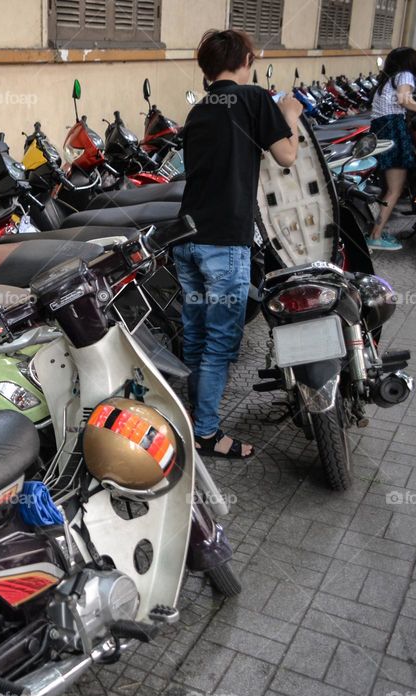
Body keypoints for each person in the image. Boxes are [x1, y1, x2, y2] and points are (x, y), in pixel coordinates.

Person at [176, 29, 303, 459]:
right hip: (225, 243)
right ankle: (207, 434)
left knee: (195, 337)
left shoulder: (197, 112)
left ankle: (194, 419)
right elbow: (286, 156)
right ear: (246, 59)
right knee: (220, 344)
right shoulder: (253, 99)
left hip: (187, 239)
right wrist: (291, 115)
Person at [368, 46, 416, 251]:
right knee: (395, 190)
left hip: (379, 130)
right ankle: (376, 236)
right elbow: (404, 99)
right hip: (393, 129)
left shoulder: (386, 80)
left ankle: (374, 230)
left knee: (387, 188)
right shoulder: (405, 75)